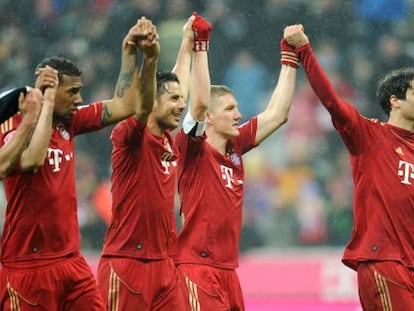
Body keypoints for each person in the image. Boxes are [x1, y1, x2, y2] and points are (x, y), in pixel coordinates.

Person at [0, 17, 151, 310]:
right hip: (27, 266)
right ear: (49, 93)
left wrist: (130, 53)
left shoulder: (71, 120)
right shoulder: (13, 125)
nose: (79, 99)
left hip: (71, 261)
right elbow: (32, 160)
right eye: (72, 92)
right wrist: (43, 106)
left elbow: (124, 105)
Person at [284, 24, 414, 310]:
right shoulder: (369, 135)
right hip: (385, 261)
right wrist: (304, 49)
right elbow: (330, 100)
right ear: (395, 101)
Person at [174, 33, 299, 309]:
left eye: (238, 108)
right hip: (197, 268)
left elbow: (278, 114)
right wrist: (201, 48)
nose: (238, 114)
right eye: (230, 108)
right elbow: (197, 104)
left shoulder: (236, 147)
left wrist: (290, 59)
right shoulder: (192, 149)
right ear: (209, 116)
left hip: (228, 270)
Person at [96, 12, 212, 310]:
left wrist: (187, 41)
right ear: (152, 105)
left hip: (164, 263)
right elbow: (146, 100)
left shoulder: (167, 138)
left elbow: (176, 84)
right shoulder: (131, 136)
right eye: (173, 100)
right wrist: (149, 59)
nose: (181, 105)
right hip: (126, 264)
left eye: (181, 99)